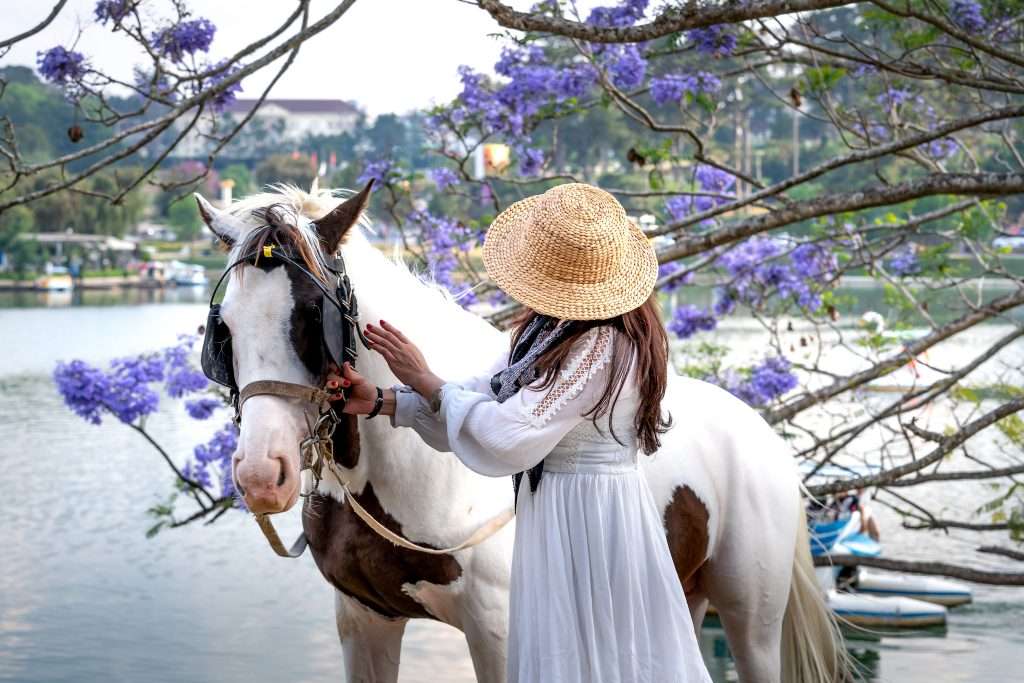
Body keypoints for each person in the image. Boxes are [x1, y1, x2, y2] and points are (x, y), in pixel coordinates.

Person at [341, 183, 712, 683]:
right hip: (556, 505)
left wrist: (424, 379)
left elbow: (506, 435)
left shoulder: (603, 345)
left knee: (600, 649)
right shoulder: (547, 331)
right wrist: (386, 401)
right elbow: (481, 395)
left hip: (593, 514)